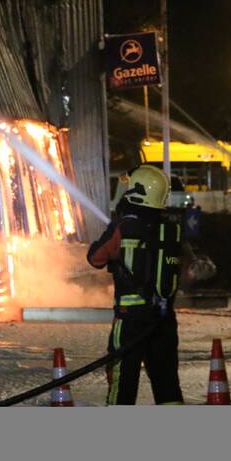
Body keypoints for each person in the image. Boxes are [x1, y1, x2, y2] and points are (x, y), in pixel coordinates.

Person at [87, 165, 185, 405]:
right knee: (167, 386)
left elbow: (95, 258)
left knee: (122, 386)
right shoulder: (170, 229)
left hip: (131, 321)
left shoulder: (124, 227)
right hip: (163, 321)